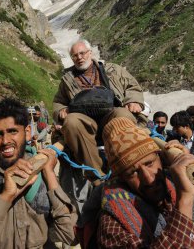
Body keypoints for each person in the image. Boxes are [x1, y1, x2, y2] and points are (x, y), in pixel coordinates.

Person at [0, 98, 77, 249]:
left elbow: (70, 235)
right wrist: (5, 197)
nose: (6, 141)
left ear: (27, 133)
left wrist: (50, 175)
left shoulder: (44, 175)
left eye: (12, 131)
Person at [82, 117, 194, 248]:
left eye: (149, 163)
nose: (148, 179)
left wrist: (184, 161)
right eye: (133, 173)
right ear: (122, 179)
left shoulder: (174, 177)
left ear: (161, 158)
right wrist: (185, 201)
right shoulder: (111, 223)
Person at [53, 39, 144, 183]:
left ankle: (128, 164)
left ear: (90, 53)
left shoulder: (112, 70)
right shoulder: (67, 79)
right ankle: (97, 176)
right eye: (75, 55)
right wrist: (61, 110)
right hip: (85, 120)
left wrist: (133, 101)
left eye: (82, 53)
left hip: (110, 113)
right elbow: (59, 101)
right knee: (71, 121)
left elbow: (132, 86)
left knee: (123, 114)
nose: (79, 58)